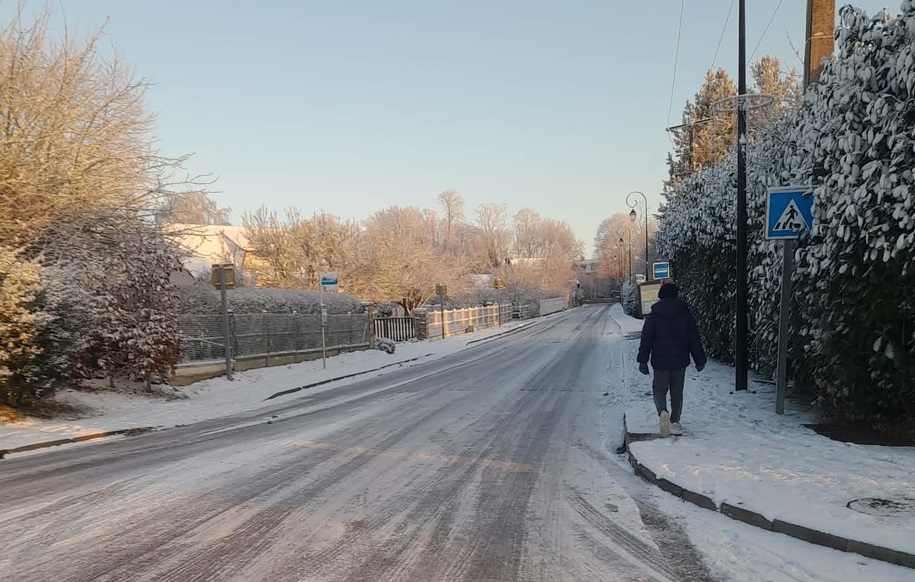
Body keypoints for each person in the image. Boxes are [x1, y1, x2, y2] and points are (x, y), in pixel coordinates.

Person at [636, 283, 706, 437]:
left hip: (660, 361)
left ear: (660, 296)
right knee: (677, 392)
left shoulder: (654, 316)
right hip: (680, 359)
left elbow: (646, 339)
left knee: (659, 390)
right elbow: (694, 339)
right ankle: (675, 420)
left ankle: (662, 412)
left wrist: (643, 360)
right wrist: (699, 360)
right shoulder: (685, 314)